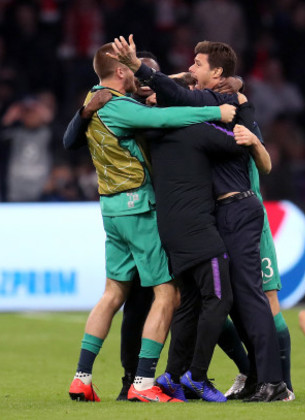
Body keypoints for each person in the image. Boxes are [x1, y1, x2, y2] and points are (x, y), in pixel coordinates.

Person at [110, 35, 288, 402]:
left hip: (239, 207)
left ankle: (274, 382)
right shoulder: (215, 101)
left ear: (217, 72)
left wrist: (141, 69)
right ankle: (248, 377)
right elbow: (181, 94)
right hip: (219, 212)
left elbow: (192, 102)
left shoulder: (221, 103)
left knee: (249, 298)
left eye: (198, 64)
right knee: (224, 298)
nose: (191, 68)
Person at [68, 42, 235, 403]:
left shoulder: (94, 97)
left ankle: (82, 377)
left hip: (110, 209)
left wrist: (176, 78)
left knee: (113, 294)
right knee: (168, 294)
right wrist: (213, 111)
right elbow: (165, 118)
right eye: (131, 65)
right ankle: (143, 383)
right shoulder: (122, 108)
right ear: (123, 72)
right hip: (137, 207)